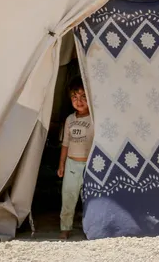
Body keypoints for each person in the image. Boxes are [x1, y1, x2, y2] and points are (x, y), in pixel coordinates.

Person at [58, 76, 93, 239]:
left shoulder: (94, 119)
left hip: (90, 166)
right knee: (68, 196)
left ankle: (91, 228)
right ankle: (65, 227)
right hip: (72, 165)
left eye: (83, 97)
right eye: (74, 97)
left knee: (90, 199)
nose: (79, 101)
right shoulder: (69, 120)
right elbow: (65, 143)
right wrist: (62, 164)